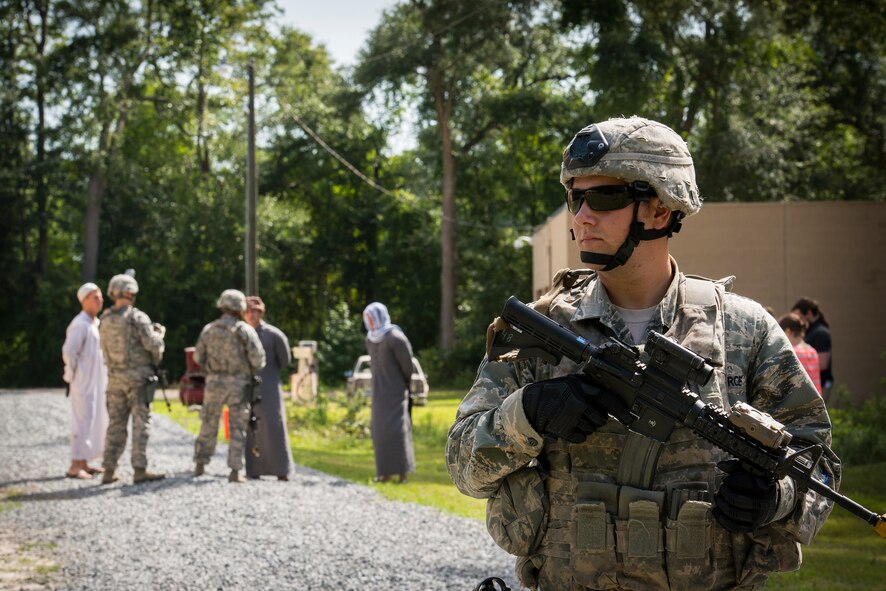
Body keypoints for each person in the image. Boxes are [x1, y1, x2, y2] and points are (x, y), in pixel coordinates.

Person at [446, 117, 838, 591]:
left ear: (660, 208)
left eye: (604, 197)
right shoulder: (543, 329)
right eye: (576, 197)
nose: (582, 216)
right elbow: (463, 466)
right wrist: (527, 413)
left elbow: (818, 461)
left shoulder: (744, 330)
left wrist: (778, 495)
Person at [99, 270, 166, 484]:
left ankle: (109, 470)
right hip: (138, 379)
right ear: (131, 294)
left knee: (115, 424)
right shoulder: (138, 317)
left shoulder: (105, 319)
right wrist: (159, 336)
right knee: (141, 423)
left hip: (114, 378)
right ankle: (139, 469)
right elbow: (153, 346)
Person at [193, 289, 266, 483]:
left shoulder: (210, 329)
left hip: (214, 383)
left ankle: (200, 464)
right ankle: (235, 471)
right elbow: (258, 360)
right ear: (240, 307)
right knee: (237, 427)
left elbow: (198, 357)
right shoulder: (245, 331)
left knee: (208, 423)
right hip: (239, 385)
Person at [243, 296, 295, 481]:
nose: (251, 314)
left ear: (261, 312)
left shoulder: (274, 335)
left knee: (274, 425)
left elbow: (285, 361)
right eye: (248, 311)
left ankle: (282, 469)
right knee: (251, 426)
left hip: (270, 385)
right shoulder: (240, 333)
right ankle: (253, 469)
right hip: (247, 387)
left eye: (255, 311)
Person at [362, 302, 415, 484]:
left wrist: (404, 386)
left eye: (371, 317)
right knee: (380, 432)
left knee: (397, 431)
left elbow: (407, 367)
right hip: (379, 392)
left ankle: (402, 475)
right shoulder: (370, 339)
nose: (368, 321)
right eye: (366, 318)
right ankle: (384, 473)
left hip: (396, 391)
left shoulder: (395, 338)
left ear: (379, 316)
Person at [61, 282, 109, 479]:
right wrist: (72, 377)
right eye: (95, 297)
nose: (100, 300)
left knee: (94, 420)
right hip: (83, 382)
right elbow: (69, 352)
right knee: (81, 422)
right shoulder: (79, 324)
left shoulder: (95, 324)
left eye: (100, 296)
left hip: (96, 382)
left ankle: (85, 462)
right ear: (84, 300)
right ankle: (74, 465)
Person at [792, 297, 834, 399]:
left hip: (820, 384)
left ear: (809, 313)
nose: (798, 319)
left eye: (799, 315)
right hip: (810, 385)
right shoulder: (810, 331)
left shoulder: (821, 332)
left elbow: (823, 364)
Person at [779, 312, 823, 396]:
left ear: (788, 332)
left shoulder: (791, 353)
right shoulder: (812, 351)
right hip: (815, 401)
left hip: (799, 402)